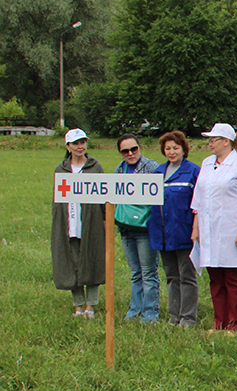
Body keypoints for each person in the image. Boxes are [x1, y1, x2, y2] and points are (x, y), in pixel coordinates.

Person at [191, 123, 237, 333]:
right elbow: (199, 199)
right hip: (208, 229)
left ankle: (234, 323)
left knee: (232, 278)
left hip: (230, 228)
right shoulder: (207, 163)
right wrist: (196, 228)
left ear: (225, 141)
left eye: (213, 140)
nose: (210, 143)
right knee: (215, 278)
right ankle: (218, 321)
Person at [148, 131, 200, 327]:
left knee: (187, 276)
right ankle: (173, 316)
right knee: (171, 275)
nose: (171, 152)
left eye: (175, 148)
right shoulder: (157, 172)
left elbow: (198, 203)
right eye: (168, 148)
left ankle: (188, 318)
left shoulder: (193, 171)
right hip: (162, 232)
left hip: (184, 231)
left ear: (183, 149)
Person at [52, 128, 104, 318]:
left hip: (90, 223)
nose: (80, 146)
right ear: (68, 146)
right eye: (75, 143)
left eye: (82, 142)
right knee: (71, 263)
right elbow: (57, 201)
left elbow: (102, 197)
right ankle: (78, 305)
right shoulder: (61, 169)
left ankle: (91, 306)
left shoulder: (95, 167)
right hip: (69, 223)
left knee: (91, 261)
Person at [114, 134, 160, 323]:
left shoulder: (151, 167)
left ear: (140, 148)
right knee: (135, 272)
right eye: (125, 151)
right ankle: (134, 310)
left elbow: (159, 196)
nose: (130, 153)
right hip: (126, 228)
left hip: (145, 228)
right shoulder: (119, 169)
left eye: (134, 149)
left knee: (148, 272)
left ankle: (150, 313)